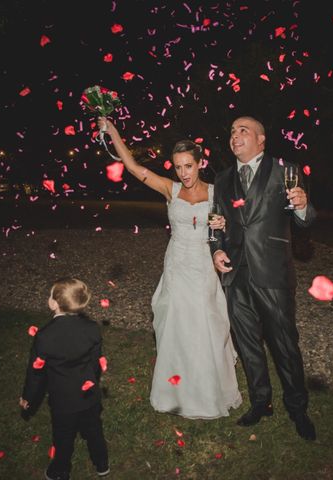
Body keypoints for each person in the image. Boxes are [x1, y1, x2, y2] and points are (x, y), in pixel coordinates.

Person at [97, 117, 242, 419]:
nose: (183, 172)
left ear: (200, 163)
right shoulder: (171, 190)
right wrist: (113, 132)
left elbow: (233, 228)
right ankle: (174, 390)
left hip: (203, 264)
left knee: (205, 322)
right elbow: (135, 169)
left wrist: (223, 224)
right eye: (178, 166)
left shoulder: (218, 193)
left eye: (188, 165)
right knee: (174, 320)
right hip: (176, 263)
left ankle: (207, 389)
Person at [211, 115, 318, 441]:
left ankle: (298, 409)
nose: (235, 135)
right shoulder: (224, 178)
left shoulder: (284, 171)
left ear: (261, 139)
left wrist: (301, 206)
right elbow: (217, 222)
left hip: (273, 274)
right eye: (231, 131)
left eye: (243, 130)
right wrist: (215, 249)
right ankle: (262, 402)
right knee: (248, 345)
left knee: (285, 345)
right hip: (236, 276)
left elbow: (306, 220)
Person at [19, 277, 110, 480]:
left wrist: (28, 397)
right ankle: (102, 463)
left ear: (55, 303)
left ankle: (60, 470)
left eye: (51, 295)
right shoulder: (92, 329)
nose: (49, 298)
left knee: (63, 436)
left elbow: (36, 373)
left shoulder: (44, 336)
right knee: (94, 430)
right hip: (89, 396)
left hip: (63, 400)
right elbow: (95, 363)